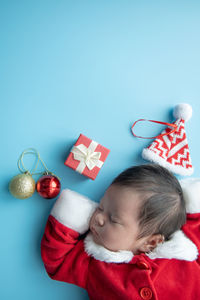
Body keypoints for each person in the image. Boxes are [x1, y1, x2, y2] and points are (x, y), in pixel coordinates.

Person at [41, 164, 200, 300]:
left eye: (114, 219)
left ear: (150, 242)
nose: (98, 218)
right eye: (100, 207)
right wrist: (70, 217)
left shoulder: (186, 251)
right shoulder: (94, 265)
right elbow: (57, 261)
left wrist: (191, 199)